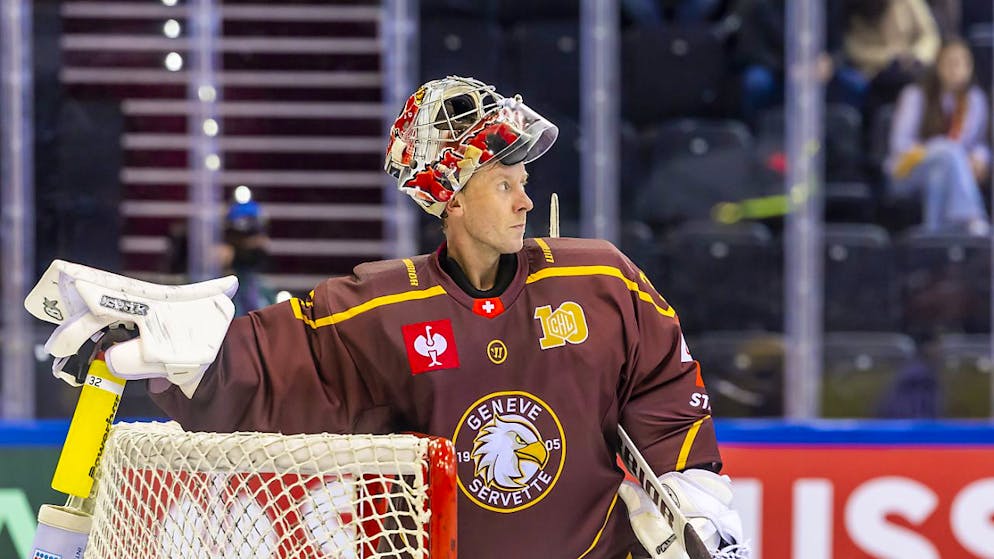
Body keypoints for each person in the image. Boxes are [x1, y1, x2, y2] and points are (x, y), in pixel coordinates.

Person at [25, 76, 748, 559]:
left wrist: (694, 491)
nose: (527, 201)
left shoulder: (600, 279)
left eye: (525, 181)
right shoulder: (378, 306)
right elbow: (275, 370)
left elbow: (664, 377)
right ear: (451, 197)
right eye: (505, 183)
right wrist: (200, 354)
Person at [886, 38, 990, 234]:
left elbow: (980, 144)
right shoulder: (915, 95)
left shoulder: (975, 100)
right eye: (950, 63)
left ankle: (934, 237)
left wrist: (980, 158)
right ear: (938, 66)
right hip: (907, 171)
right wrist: (941, 150)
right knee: (948, 153)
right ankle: (973, 219)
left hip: (950, 173)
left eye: (962, 64)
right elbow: (900, 146)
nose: (956, 69)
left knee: (940, 171)